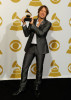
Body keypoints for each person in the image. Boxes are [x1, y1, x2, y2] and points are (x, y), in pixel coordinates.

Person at [13, 5, 52, 97]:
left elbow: (41, 34)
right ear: (38, 12)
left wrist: (32, 25)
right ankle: (22, 88)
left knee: (39, 70)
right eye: (41, 10)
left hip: (40, 48)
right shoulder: (33, 20)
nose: (42, 12)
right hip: (30, 47)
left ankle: (36, 88)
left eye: (45, 11)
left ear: (46, 14)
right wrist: (24, 24)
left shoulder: (48, 23)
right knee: (24, 68)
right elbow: (27, 34)